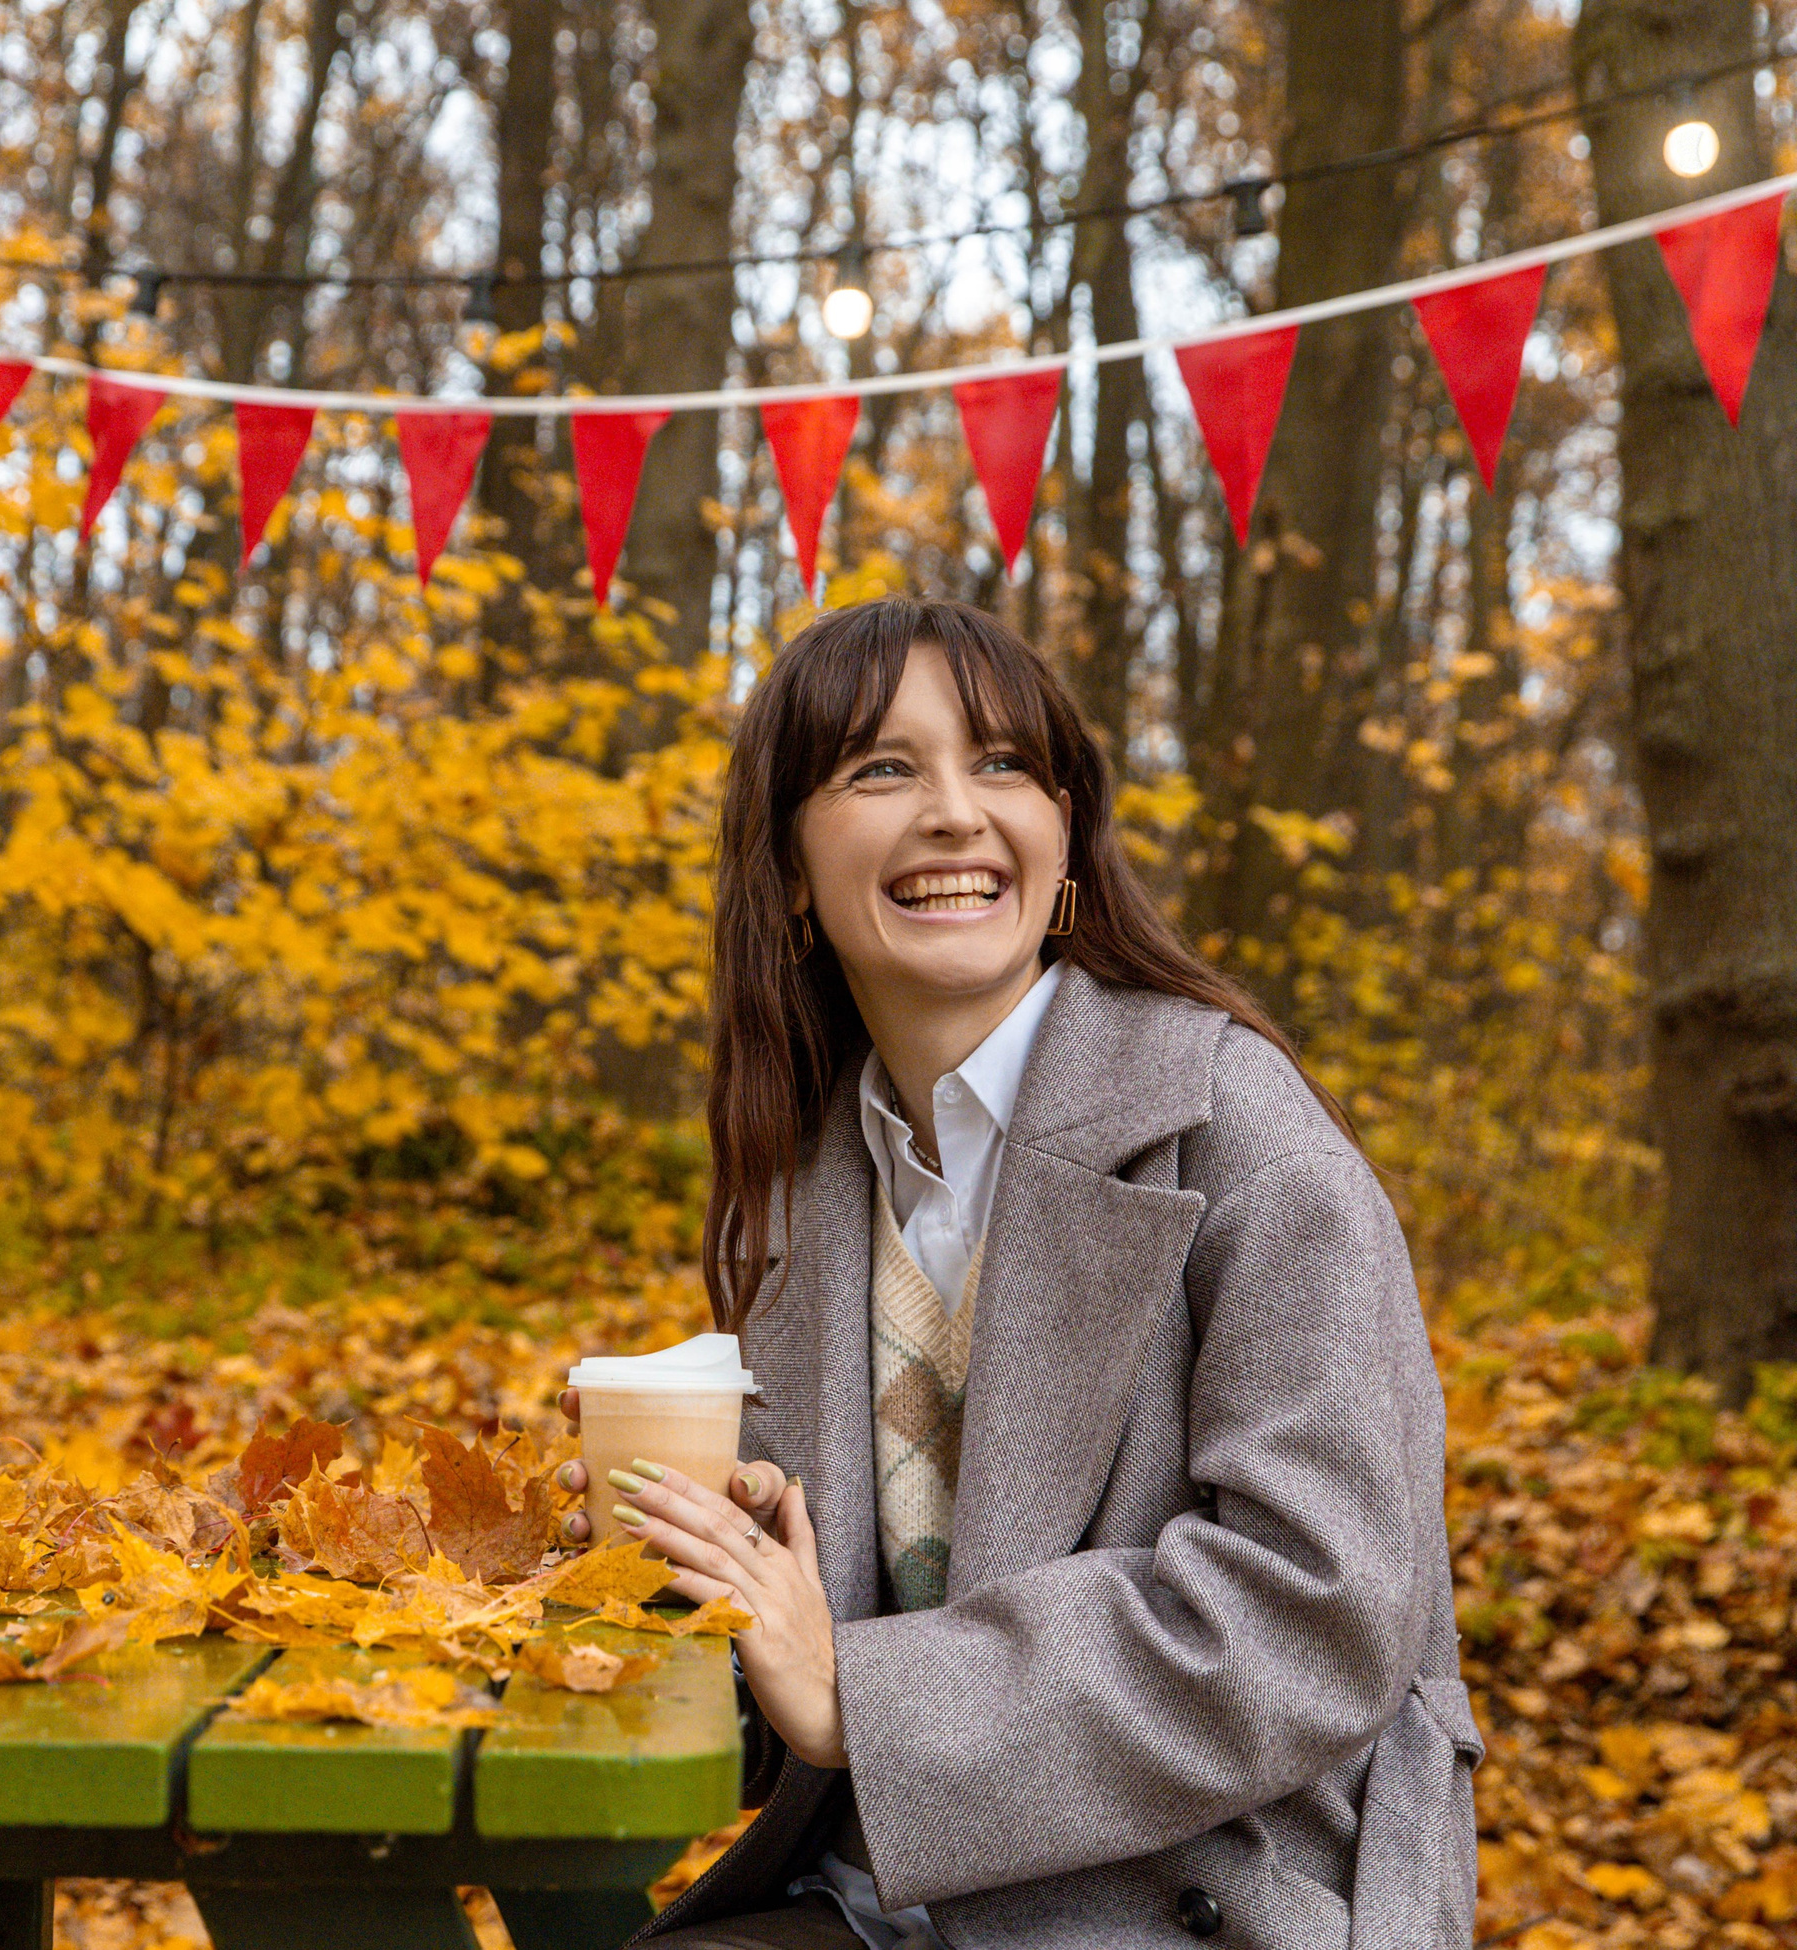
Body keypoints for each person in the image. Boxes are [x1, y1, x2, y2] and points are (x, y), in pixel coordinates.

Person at [549, 597, 1480, 1949]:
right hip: (883, 1900)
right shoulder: (804, 1180)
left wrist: (861, 1691)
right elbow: (792, 1679)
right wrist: (685, 1581)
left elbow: (1319, 1609)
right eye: (882, 767)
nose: (953, 811)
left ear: (1063, 850)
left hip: (1213, 1902)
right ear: (791, 872)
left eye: (1000, 764)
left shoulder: (1245, 1140)